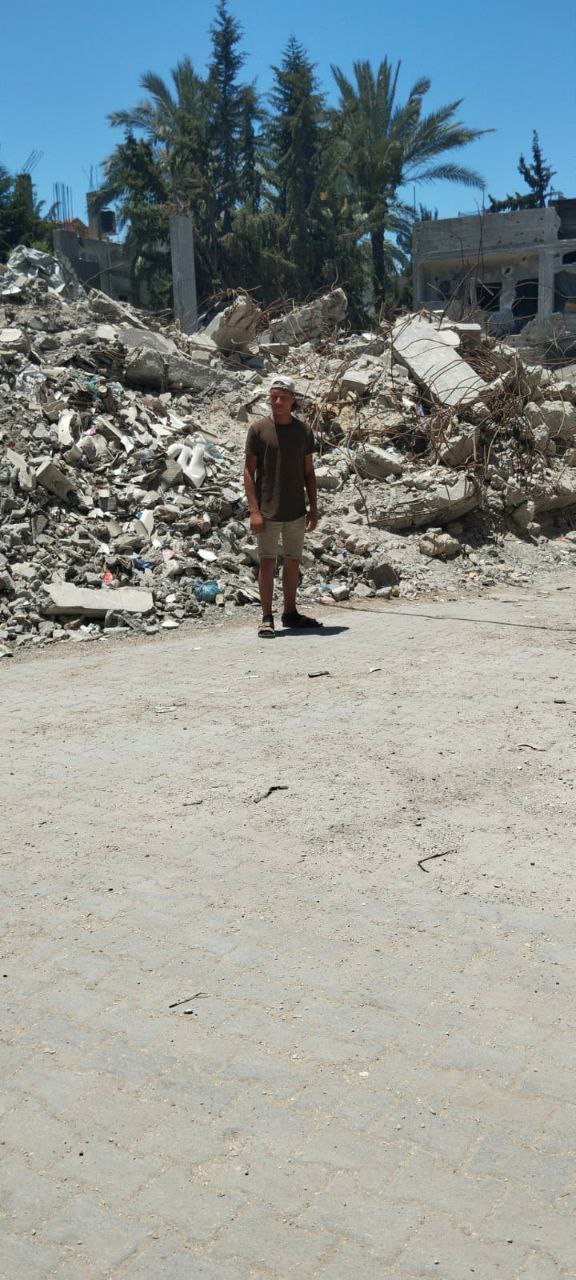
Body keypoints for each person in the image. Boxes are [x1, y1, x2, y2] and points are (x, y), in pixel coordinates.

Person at [244, 376, 322, 638]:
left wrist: (313, 507)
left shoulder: (303, 432)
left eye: (283, 397)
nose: (277, 402)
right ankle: (267, 617)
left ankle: (290, 612)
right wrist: (254, 511)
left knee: (292, 562)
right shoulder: (258, 430)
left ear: (292, 401)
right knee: (267, 563)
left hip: (296, 511)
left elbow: (309, 472)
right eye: (274, 397)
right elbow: (249, 471)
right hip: (267, 511)